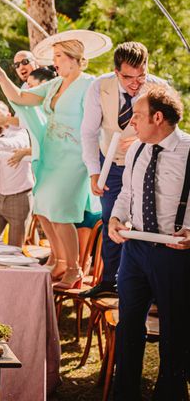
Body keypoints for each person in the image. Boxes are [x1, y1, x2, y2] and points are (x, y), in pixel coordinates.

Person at [0, 33, 102, 289]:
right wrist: (1, 77)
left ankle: (75, 270)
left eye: (59, 57)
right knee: (42, 207)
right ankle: (61, 260)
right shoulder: (53, 85)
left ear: (75, 58)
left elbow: (97, 123)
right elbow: (20, 98)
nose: (55, 63)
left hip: (75, 157)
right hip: (51, 155)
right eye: (54, 58)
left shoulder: (90, 84)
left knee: (61, 211)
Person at [108, 84, 190, 400]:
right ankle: (124, 393)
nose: (132, 122)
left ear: (157, 117)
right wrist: (115, 219)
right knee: (128, 326)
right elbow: (127, 194)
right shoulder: (137, 149)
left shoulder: (188, 150)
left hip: (174, 253)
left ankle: (170, 393)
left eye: (138, 116)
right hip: (135, 249)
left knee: (175, 330)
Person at [80, 42, 167, 299]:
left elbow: (171, 132)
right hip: (111, 163)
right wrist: (95, 172)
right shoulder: (99, 86)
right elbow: (88, 132)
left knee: (143, 222)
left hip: (147, 166)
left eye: (141, 75)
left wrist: (145, 140)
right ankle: (110, 281)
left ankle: (145, 287)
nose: (135, 83)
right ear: (116, 71)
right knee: (110, 219)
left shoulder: (159, 88)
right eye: (128, 77)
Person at [0, 102, 34, 248]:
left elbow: (15, 144)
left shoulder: (19, 132)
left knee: (14, 250)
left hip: (18, 198)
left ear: (8, 116)